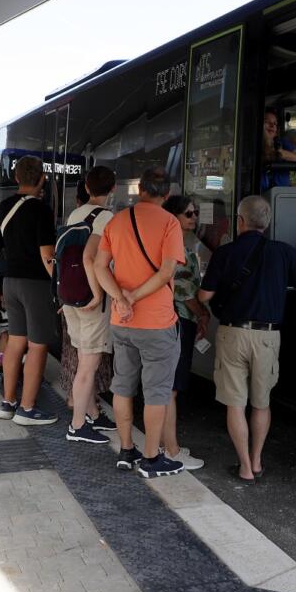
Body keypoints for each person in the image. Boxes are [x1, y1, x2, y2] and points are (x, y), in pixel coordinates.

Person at [198, 195, 296, 484]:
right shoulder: (283, 252)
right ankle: (257, 461)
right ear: (267, 223)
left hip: (232, 333)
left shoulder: (225, 253)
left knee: (235, 403)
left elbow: (204, 295)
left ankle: (244, 467)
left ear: (240, 221)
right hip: (267, 337)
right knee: (262, 403)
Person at [94, 167, 186, 478]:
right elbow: (166, 272)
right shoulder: (170, 223)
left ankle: (126, 450)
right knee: (157, 391)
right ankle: (151, 458)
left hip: (122, 322)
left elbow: (99, 266)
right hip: (157, 323)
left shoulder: (117, 221)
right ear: (167, 194)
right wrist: (133, 296)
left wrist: (119, 298)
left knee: (123, 386)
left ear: (140, 190)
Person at [0, 156, 58, 426]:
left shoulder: (5, 206)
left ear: (16, 178)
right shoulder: (41, 210)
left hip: (10, 281)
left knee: (16, 341)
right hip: (35, 284)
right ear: (42, 178)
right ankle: (27, 409)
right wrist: (59, 286)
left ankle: (8, 402)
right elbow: (47, 255)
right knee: (38, 345)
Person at [60, 166, 120, 445]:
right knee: (88, 364)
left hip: (71, 297)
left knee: (84, 358)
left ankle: (93, 414)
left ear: (86, 187)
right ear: (113, 188)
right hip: (90, 301)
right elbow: (89, 257)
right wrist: (97, 295)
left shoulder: (76, 214)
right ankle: (77, 425)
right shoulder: (106, 217)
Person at [159, 195, 208, 470]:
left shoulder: (164, 243)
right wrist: (202, 313)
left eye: (196, 212)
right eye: (189, 213)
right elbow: (186, 292)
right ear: (174, 216)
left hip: (165, 320)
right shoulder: (177, 248)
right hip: (178, 321)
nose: (195, 217)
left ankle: (163, 444)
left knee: (165, 386)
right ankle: (172, 450)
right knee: (171, 388)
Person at [261, 109, 296, 192]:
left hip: (282, 192)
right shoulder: (248, 146)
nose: (272, 125)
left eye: (275, 123)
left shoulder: (283, 142)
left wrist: (281, 153)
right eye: (267, 122)